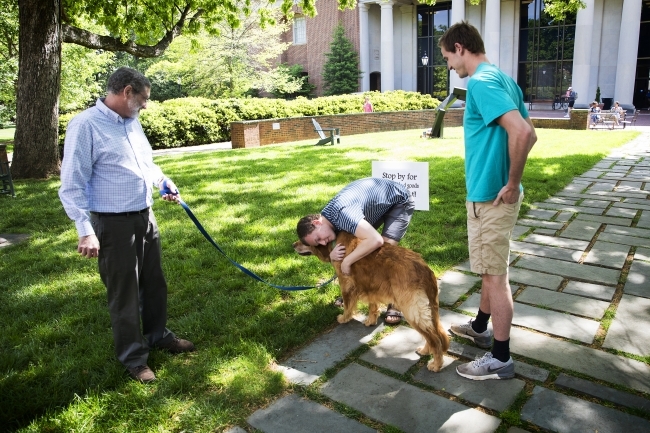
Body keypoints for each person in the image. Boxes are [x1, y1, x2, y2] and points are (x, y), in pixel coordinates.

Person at [59, 67, 195, 384]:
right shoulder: (85, 126)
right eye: (144, 99)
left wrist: (163, 182)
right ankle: (134, 358)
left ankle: (159, 335)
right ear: (127, 92)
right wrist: (84, 229)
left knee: (155, 282)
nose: (146, 105)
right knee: (125, 293)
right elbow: (71, 185)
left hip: (144, 215)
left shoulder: (132, 124)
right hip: (111, 222)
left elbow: (146, 164)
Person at [438, 22, 537, 380]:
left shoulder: (480, 82)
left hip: (490, 197)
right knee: (487, 267)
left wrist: (511, 183)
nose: (450, 66)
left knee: (495, 275)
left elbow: (523, 132)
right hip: (490, 195)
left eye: (448, 57)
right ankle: (481, 327)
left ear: (460, 48)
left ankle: (500, 358)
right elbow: (532, 133)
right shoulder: (503, 79)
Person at [297, 177, 415, 324]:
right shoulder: (326, 220)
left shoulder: (344, 216)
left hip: (398, 200)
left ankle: (394, 303)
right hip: (376, 203)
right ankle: (357, 293)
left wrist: (346, 261)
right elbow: (339, 244)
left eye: (318, 238)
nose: (322, 242)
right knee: (363, 255)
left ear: (316, 223)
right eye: (318, 243)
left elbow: (376, 240)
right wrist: (333, 254)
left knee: (382, 255)